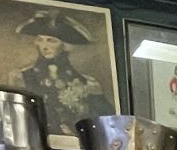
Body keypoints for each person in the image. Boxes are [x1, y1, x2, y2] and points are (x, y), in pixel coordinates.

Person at [7, 8, 113, 137]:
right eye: (41, 39)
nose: (44, 46)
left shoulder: (88, 83)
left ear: (65, 45)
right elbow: (14, 121)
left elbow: (108, 125)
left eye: (51, 40)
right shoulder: (22, 77)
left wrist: (97, 96)